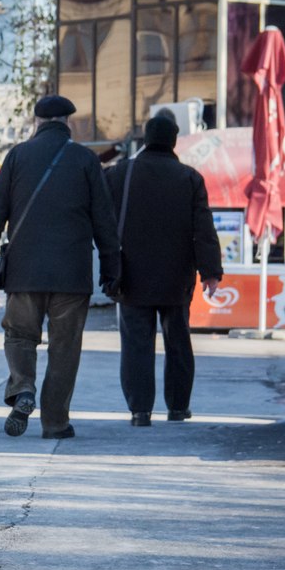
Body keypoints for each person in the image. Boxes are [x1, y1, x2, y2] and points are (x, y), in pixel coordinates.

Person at [0, 95, 120, 440]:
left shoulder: (17, 156)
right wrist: (111, 268)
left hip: (24, 271)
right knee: (65, 346)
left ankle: (23, 388)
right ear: (68, 123)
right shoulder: (85, 159)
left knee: (19, 335)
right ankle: (56, 422)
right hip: (71, 275)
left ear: (37, 122)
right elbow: (104, 220)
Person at [105, 114, 222, 427]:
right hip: (176, 277)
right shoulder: (189, 178)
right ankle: (178, 408)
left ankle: (140, 411)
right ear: (173, 141)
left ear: (145, 139)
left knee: (136, 345)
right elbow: (203, 228)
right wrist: (211, 271)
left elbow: (101, 218)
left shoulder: (121, 173)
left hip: (131, 276)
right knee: (178, 342)